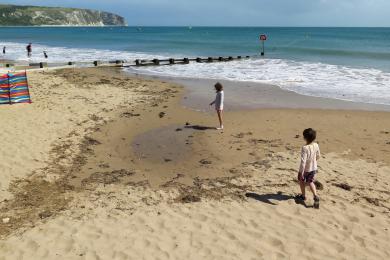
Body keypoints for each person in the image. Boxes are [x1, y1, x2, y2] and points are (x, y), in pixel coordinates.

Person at [296, 128, 321, 209]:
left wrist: (300, 172)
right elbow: (318, 156)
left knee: (302, 181)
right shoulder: (316, 145)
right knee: (310, 182)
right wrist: (314, 161)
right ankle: (315, 196)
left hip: (306, 169)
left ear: (304, 138)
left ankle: (303, 196)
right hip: (313, 168)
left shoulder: (305, 148)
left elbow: (303, 162)